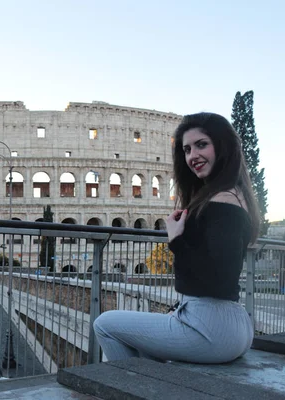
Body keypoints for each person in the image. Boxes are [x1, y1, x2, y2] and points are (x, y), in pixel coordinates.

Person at [93, 112, 261, 364]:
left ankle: (129, 388)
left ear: (223, 145)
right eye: (187, 149)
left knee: (104, 324)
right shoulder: (234, 195)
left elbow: (218, 278)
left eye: (202, 144)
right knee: (143, 350)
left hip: (211, 329)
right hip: (228, 325)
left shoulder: (222, 201)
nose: (193, 156)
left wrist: (176, 240)